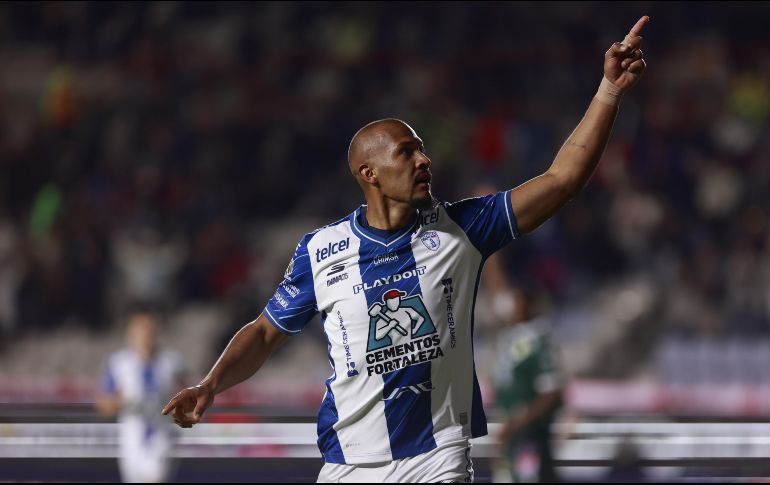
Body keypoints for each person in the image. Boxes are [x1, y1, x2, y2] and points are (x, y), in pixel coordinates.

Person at [162, 16, 649, 482]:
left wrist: (609, 91)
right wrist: (211, 384)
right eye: (407, 152)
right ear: (369, 174)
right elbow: (267, 332)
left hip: (437, 456)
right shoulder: (321, 250)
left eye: (421, 148)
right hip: (348, 461)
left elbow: (561, 180)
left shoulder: (464, 229)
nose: (424, 160)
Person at [96, 310, 185, 483]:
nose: (145, 336)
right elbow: (103, 404)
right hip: (131, 440)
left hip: (161, 437)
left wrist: (177, 404)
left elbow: (190, 396)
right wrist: (121, 402)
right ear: (130, 335)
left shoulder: (171, 362)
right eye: (140, 332)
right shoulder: (118, 363)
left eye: (149, 331)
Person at [492, 284, 565, 483]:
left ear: (530, 304)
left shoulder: (540, 340)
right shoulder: (509, 336)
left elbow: (551, 392)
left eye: (518, 301)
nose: (513, 307)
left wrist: (518, 421)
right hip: (511, 436)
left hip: (530, 437)